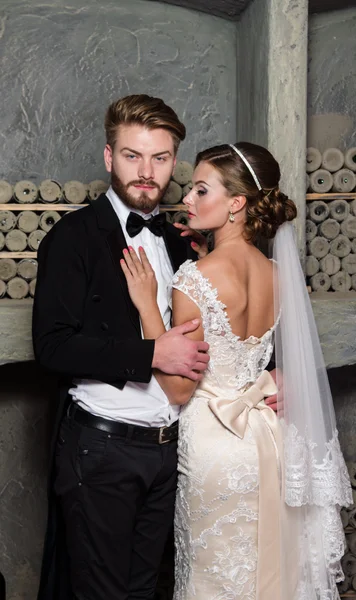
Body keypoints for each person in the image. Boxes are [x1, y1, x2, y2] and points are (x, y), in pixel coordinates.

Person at [120, 141, 353, 599]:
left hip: (213, 442)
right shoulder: (277, 273)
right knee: (265, 567)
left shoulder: (194, 277)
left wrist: (148, 305)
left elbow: (177, 388)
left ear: (237, 204)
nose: (186, 199)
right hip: (269, 437)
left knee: (212, 574)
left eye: (201, 190)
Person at [32, 94, 211, 600]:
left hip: (169, 450)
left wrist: (273, 374)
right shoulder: (73, 238)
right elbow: (53, 347)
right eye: (133, 156)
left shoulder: (181, 243)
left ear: (174, 161)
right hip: (102, 450)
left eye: (159, 158)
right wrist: (150, 355)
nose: (146, 172)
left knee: (146, 591)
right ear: (109, 158)